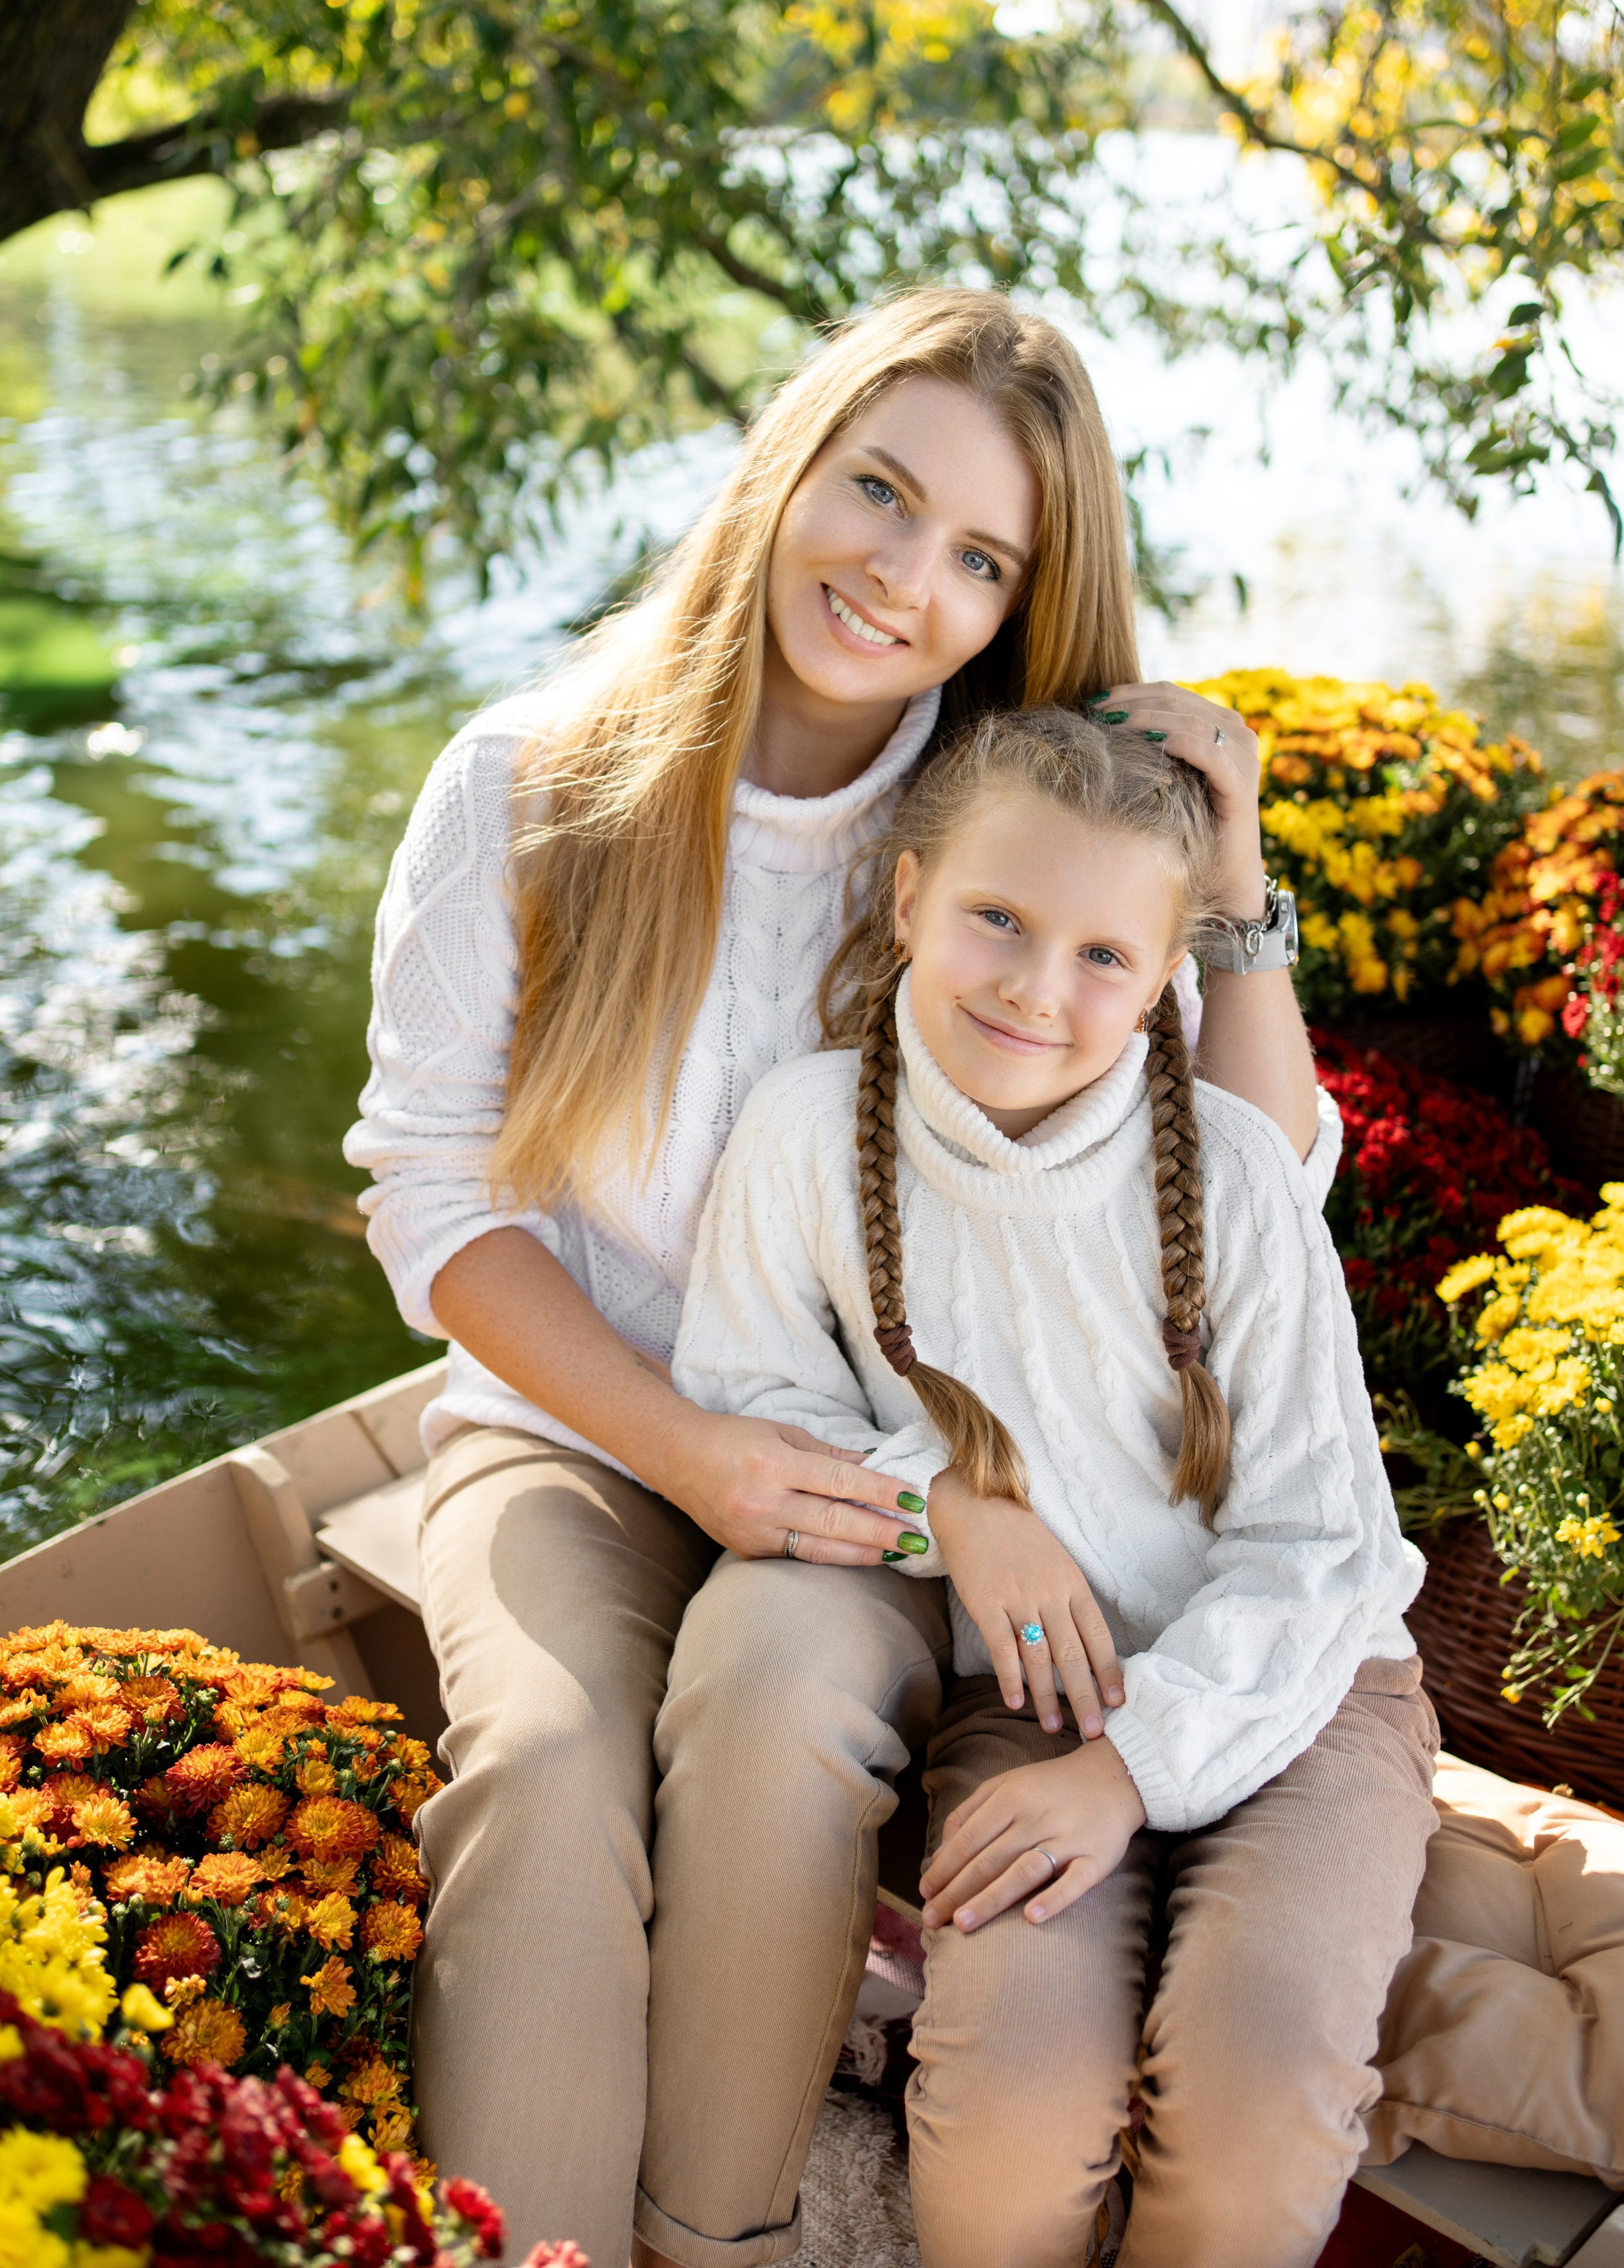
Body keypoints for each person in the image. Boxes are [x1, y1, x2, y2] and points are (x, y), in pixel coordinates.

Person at [344, 288, 1341, 2267]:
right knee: (542, 1771)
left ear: (1019, 604)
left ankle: (705, 2237)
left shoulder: (990, 833)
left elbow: (1256, 1184)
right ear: (787, 465)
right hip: (584, 1430)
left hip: (905, 1465)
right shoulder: (530, 782)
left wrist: (1233, 899)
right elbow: (434, 1198)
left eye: (980, 558)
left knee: (777, 1686)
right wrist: (690, 1449)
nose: (902, 577)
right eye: (879, 493)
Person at [672, 706, 1434, 2268]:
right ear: (906, 900)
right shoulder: (805, 1136)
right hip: (1027, 1695)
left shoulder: (1231, 1172)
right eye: (996, 919)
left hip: (1303, 1689)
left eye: (1100, 955)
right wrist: (944, 1505)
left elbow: (1322, 1543)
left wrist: (1130, 1774)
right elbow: (754, 1401)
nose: (1033, 988)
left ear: (1163, 981)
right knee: (1008, 2111)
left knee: (1252, 2095)